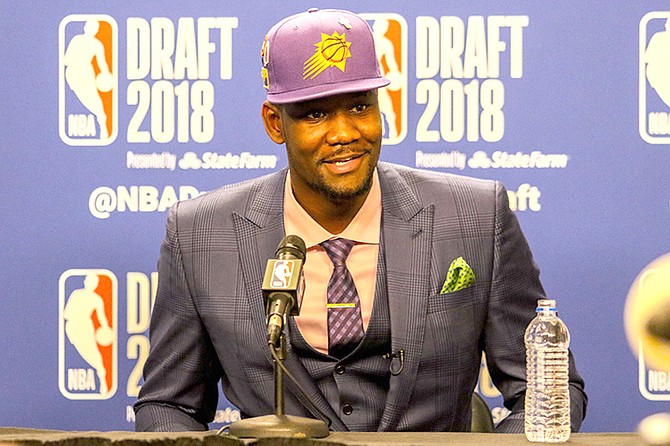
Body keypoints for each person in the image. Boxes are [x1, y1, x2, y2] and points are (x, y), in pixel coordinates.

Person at [135, 8, 587, 433]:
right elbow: (168, 405)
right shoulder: (198, 233)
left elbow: (550, 389)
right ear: (275, 123)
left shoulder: (475, 216)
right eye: (315, 113)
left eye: (358, 106)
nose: (344, 133)